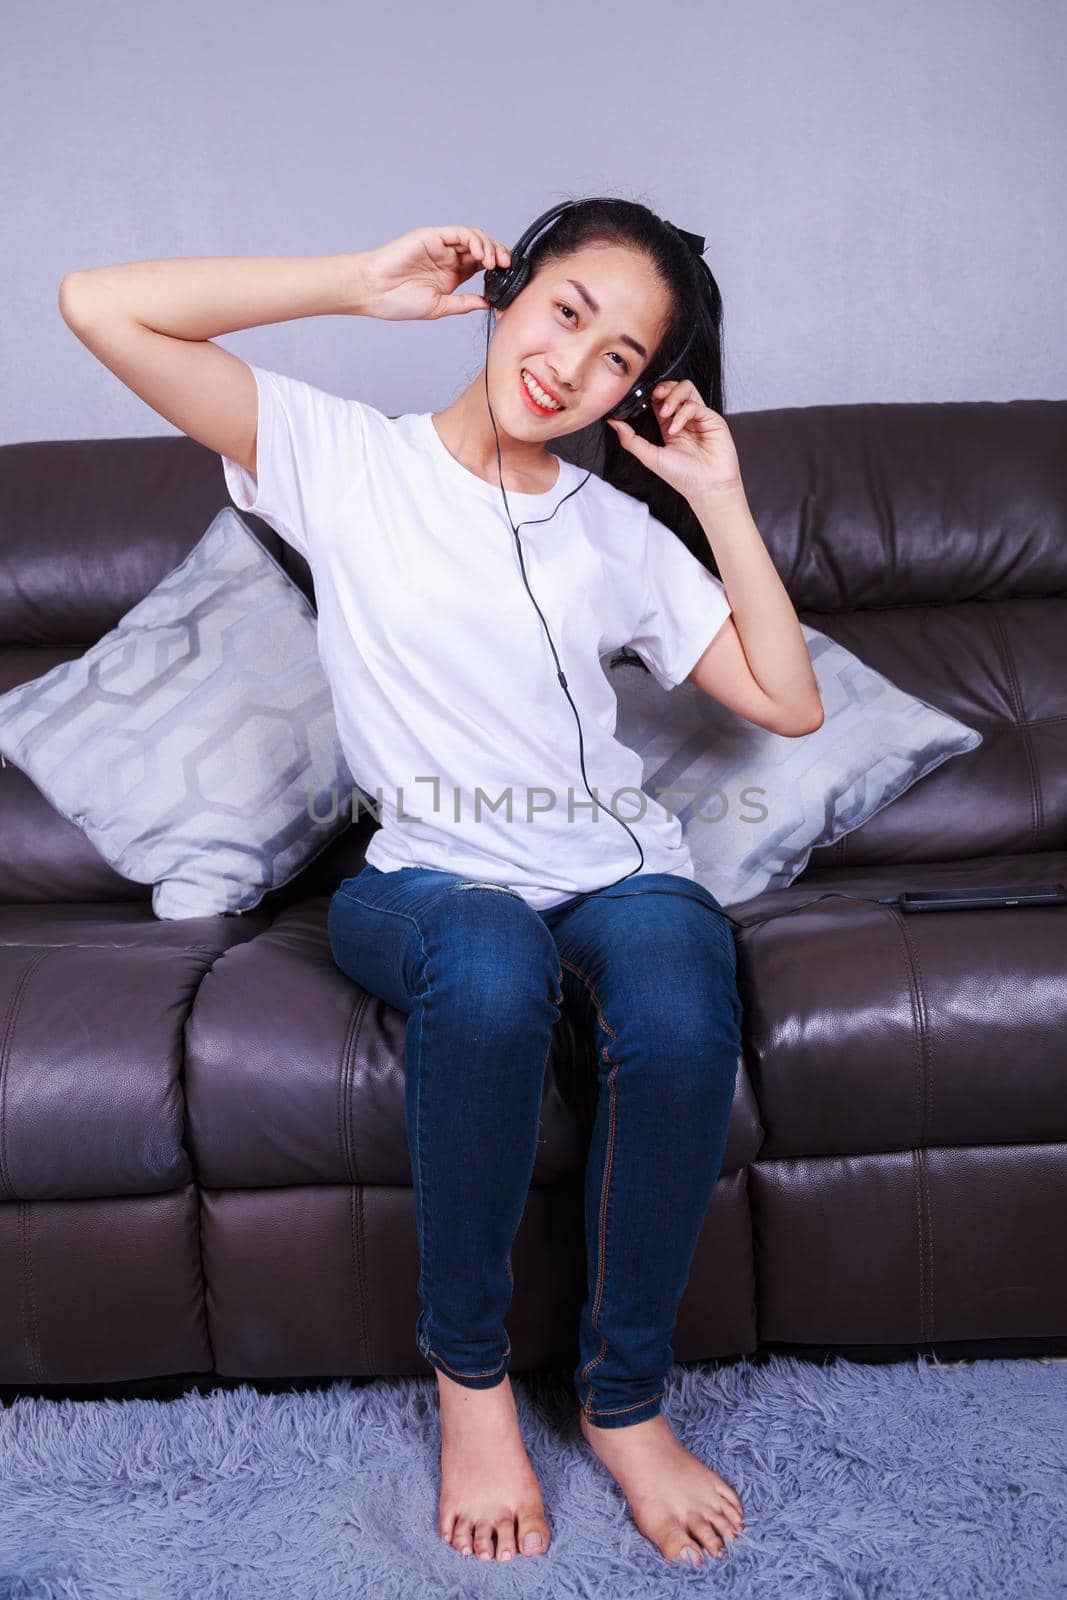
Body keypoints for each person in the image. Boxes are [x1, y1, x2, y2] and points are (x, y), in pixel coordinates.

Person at [58, 195, 821, 1569]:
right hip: (423, 882)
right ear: (510, 290)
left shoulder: (615, 531)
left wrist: (716, 496)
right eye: (566, 310)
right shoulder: (345, 461)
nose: (572, 364)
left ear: (636, 393)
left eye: (616, 357)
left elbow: (787, 699)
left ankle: (623, 1401)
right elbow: (100, 304)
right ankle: (470, 1387)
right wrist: (356, 279)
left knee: (679, 978)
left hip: (611, 871)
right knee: (485, 955)